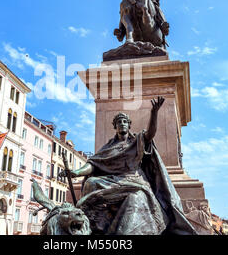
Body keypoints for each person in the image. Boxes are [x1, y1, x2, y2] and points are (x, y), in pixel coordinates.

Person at [60, 97, 197, 235]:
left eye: (125, 121)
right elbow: (94, 164)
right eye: (119, 122)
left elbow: (150, 134)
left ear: (129, 125)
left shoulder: (137, 141)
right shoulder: (109, 147)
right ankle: (92, 224)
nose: (122, 124)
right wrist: (76, 173)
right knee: (90, 182)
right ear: (115, 126)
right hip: (114, 180)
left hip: (134, 180)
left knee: (134, 198)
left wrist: (154, 113)